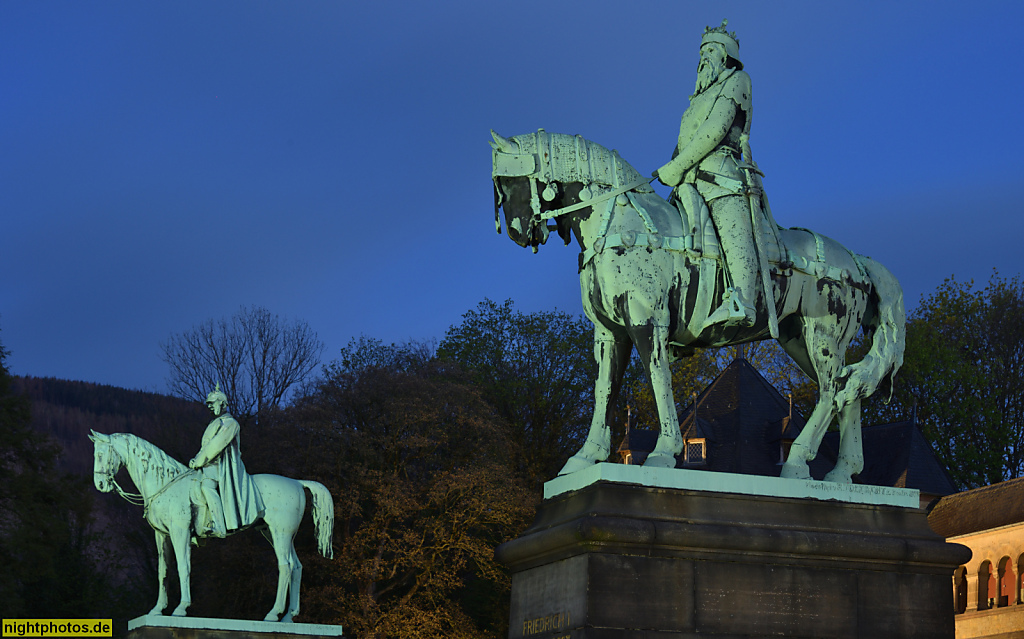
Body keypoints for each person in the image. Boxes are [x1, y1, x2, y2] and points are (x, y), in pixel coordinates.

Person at [654, 19, 762, 329]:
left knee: (731, 226)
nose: (703, 58)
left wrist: (675, 167)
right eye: (702, 52)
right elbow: (684, 142)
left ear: (726, 55)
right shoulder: (697, 97)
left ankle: (742, 300)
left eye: (711, 50)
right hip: (687, 177)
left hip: (721, 172)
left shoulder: (738, 80)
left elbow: (715, 131)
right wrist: (673, 167)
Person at [189, 384, 264, 538]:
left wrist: (199, 461)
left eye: (212, 403)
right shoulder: (215, 423)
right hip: (209, 463)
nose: (209, 407)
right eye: (208, 404)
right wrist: (196, 459)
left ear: (222, 403)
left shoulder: (231, 423)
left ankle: (218, 525)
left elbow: (216, 445)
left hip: (222, 466)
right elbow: (206, 446)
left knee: (207, 487)